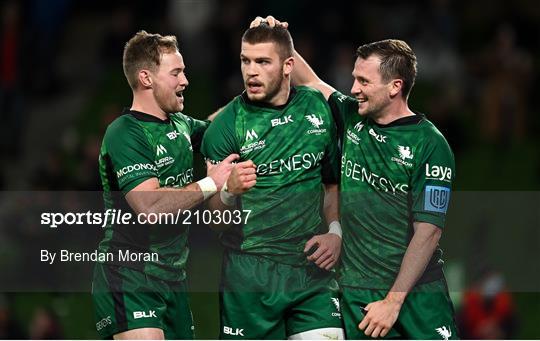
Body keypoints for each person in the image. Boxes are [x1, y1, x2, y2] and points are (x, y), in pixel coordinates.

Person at [252, 16, 458, 340]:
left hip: (418, 295)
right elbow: (311, 82)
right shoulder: (351, 117)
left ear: (395, 86)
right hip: (359, 292)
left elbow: (428, 233)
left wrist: (393, 301)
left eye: (363, 81)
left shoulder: (430, 145)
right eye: (354, 79)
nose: (353, 89)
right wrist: (279, 36)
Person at [201, 23, 345, 339]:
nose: (251, 71)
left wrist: (335, 232)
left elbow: (331, 185)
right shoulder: (224, 128)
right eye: (245, 61)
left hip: (311, 270)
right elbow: (213, 220)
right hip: (250, 277)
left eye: (263, 62)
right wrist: (227, 191)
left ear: (287, 65)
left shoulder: (317, 107)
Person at [92, 30, 237, 340]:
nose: (185, 81)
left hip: (173, 279)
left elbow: (219, 125)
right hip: (129, 274)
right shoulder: (124, 133)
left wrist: (256, 92)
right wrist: (213, 182)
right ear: (146, 78)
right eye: (176, 72)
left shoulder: (181, 125)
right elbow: (149, 206)